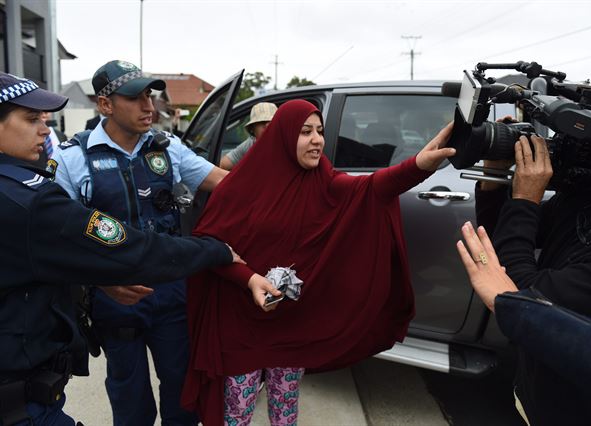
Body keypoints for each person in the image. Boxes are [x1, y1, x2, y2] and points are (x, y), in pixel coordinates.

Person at [0, 71, 254, 425]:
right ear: (105, 104)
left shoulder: (169, 147)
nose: (148, 106)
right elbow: (64, 242)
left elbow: (226, 185)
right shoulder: (72, 159)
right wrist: (101, 282)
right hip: (119, 299)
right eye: (136, 97)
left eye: (150, 96)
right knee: (130, 399)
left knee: (183, 395)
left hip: (171, 292)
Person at [181, 99, 456, 425]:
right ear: (281, 136)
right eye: (305, 132)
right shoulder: (238, 186)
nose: (317, 140)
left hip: (290, 324)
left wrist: (419, 165)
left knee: (285, 412)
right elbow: (210, 246)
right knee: (237, 414)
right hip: (238, 321)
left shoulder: (324, 182)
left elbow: (372, 188)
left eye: (320, 132)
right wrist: (248, 279)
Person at [472, 114, 591, 425]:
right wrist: (495, 174)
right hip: (534, 392)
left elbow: (525, 297)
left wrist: (525, 197)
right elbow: (506, 238)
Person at [219, 102, 277, 170]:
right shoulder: (250, 144)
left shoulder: (287, 142)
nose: (267, 125)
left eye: (272, 121)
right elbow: (222, 165)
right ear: (252, 129)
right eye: (262, 122)